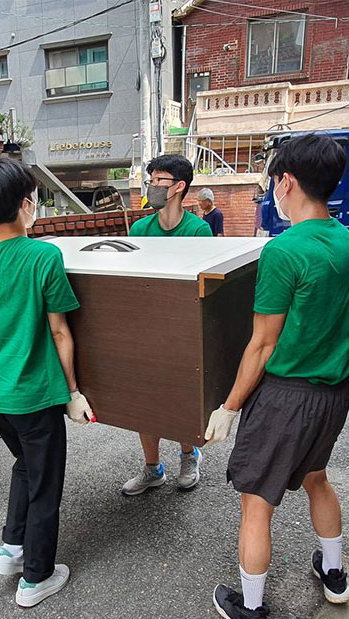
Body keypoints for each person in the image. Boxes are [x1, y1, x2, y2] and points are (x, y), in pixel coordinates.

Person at [203, 133, 349, 619]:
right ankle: (334, 575)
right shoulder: (348, 243)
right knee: (317, 479)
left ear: (286, 181)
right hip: (333, 394)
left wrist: (229, 406)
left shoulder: (284, 250)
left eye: (273, 179)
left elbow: (262, 344)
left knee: (257, 503)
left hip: (286, 399)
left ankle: (251, 611)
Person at [0, 158, 94, 608]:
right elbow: (60, 331)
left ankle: (12, 546)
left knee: (25, 465)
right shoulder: (43, 256)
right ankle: (36, 578)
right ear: (25, 203)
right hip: (34, 396)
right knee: (45, 484)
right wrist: (73, 392)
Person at [122, 154, 212, 497]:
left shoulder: (198, 231)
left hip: (183, 329)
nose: (152, 187)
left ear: (178, 187)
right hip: (145, 328)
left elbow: (201, 285)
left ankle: (189, 455)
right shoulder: (140, 230)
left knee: (181, 398)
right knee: (145, 399)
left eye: (158, 181)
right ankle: (152, 468)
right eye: (151, 181)